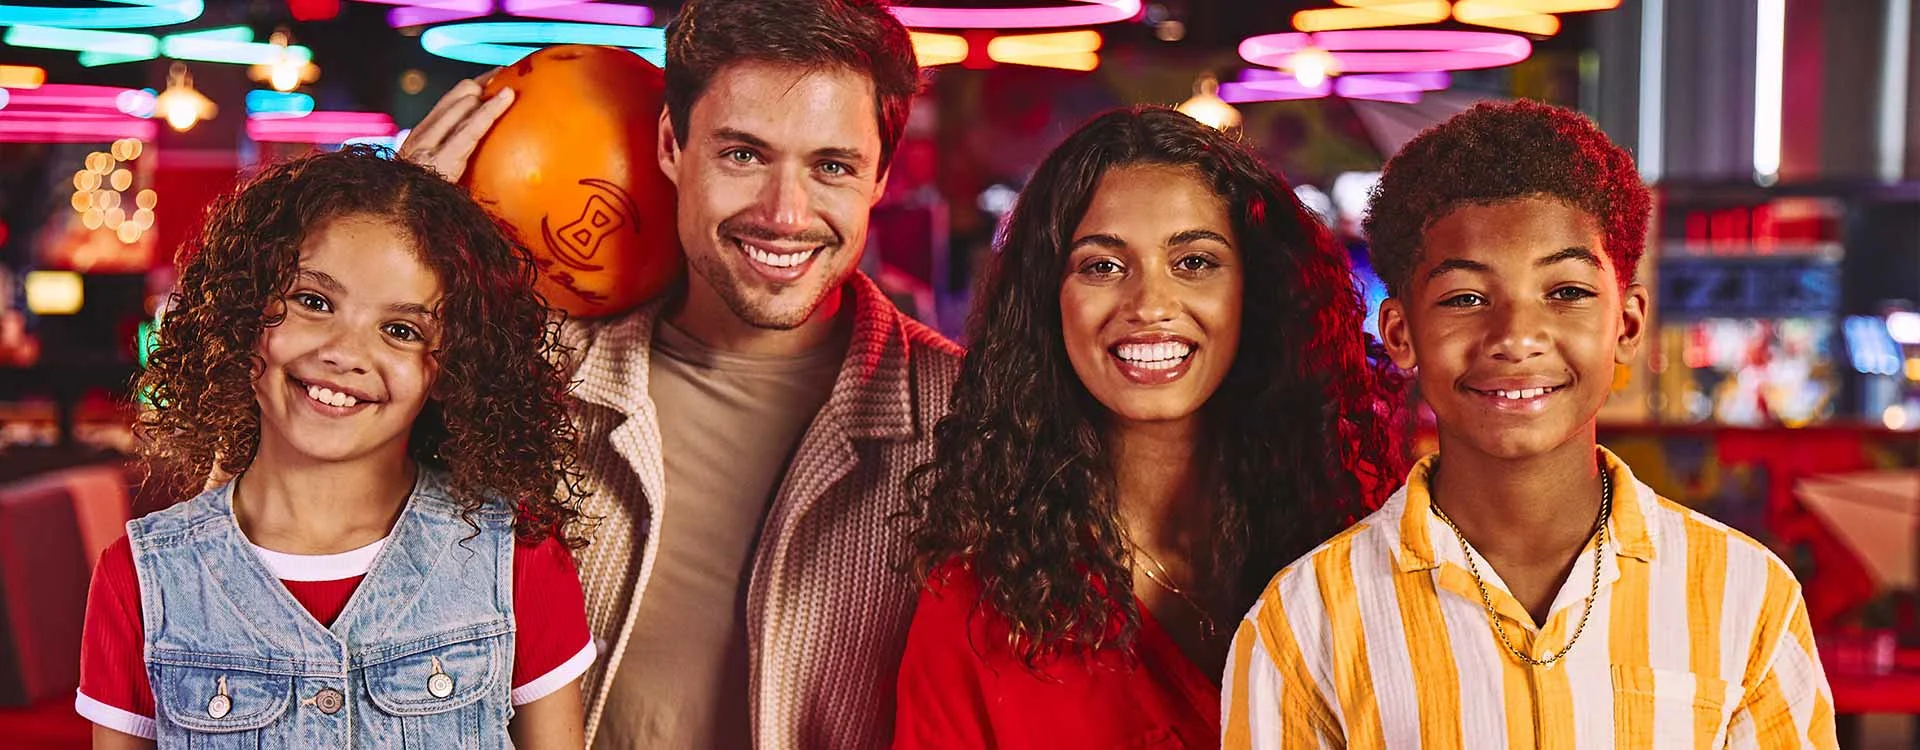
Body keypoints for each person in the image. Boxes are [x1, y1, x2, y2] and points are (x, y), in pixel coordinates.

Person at [398, 0, 960, 746]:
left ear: (880, 175)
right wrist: (394, 246)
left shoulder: (966, 420)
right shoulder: (530, 372)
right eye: (743, 155)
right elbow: (262, 522)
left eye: (831, 166)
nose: (785, 214)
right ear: (671, 143)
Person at [1222, 100, 1838, 749]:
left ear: (1625, 325)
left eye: (1566, 292)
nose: (1516, 337)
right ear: (1401, 335)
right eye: (1465, 299)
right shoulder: (1306, 620)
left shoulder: (1745, 594)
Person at [892, 107, 1404, 749]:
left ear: (1259, 290)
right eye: (1102, 266)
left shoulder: (1365, 540)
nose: (1150, 305)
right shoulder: (974, 610)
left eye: (1194, 262)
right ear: (1048, 302)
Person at [76, 146, 593, 749]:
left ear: (451, 371)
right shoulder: (139, 579)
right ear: (246, 312)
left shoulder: (517, 556)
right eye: (314, 302)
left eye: (401, 331)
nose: (345, 353)